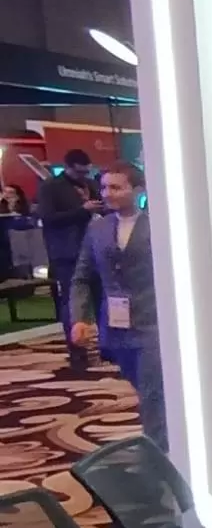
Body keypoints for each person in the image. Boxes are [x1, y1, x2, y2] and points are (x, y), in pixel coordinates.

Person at [70, 162, 166, 451]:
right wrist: (80, 317)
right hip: (116, 326)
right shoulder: (97, 228)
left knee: (152, 394)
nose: (107, 193)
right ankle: (168, 439)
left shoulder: (159, 226)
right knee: (145, 389)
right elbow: (82, 277)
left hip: (154, 324)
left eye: (116, 187)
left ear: (137, 190)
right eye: (104, 187)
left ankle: (158, 454)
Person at [37, 149, 99, 375]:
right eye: (79, 172)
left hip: (94, 247)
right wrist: (81, 211)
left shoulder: (90, 184)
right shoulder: (51, 187)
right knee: (73, 303)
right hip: (67, 252)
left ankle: (108, 348)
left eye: (86, 171)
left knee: (102, 298)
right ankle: (77, 354)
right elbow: (47, 218)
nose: (83, 176)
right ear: (68, 167)